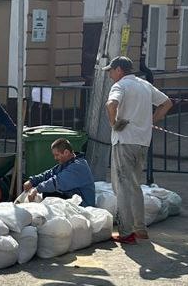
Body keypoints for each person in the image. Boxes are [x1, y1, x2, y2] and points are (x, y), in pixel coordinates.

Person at [105, 56, 172, 244]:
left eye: (111, 71)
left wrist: (114, 123)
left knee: (123, 187)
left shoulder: (120, 86)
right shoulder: (144, 85)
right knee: (135, 186)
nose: (110, 75)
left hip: (124, 140)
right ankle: (140, 229)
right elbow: (167, 103)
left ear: (119, 70)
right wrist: (151, 121)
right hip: (142, 141)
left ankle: (126, 233)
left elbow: (110, 104)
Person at [22, 138, 95, 208]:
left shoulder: (78, 166)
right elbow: (50, 173)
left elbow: (56, 182)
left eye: (57, 155)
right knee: (47, 194)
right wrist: (32, 181)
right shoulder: (67, 163)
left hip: (83, 204)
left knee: (47, 196)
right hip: (72, 197)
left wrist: (36, 189)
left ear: (66, 152)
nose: (55, 158)